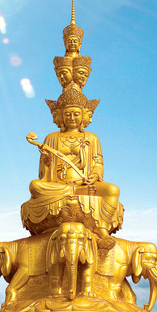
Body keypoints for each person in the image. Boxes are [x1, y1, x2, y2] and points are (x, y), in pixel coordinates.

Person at [22, 88, 122, 244]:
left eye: (76, 114)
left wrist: (94, 175)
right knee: (35, 186)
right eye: (68, 114)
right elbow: (43, 174)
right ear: (60, 116)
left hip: (85, 185)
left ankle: (101, 227)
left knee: (112, 190)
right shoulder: (52, 138)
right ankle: (71, 191)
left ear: (84, 115)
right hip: (59, 186)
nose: (72, 118)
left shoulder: (92, 138)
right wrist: (46, 159)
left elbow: (98, 163)